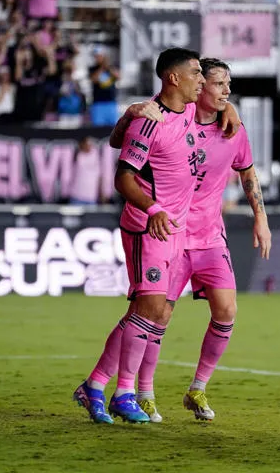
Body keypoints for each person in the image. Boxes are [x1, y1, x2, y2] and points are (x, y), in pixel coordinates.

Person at [72, 49, 242, 425]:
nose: (203, 80)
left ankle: (98, 386)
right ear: (174, 79)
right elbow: (122, 177)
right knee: (148, 309)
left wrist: (230, 109)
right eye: (197, 74)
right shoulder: (150, 119)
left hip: (175, 230)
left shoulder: (186, 110)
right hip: (147, 225)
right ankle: (121, 391)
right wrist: (153, 209)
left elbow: (215, 108)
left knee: (148, 312)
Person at [110, 59, 272, 422]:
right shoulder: (173, 119)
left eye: (227, 85)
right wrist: (132, 111)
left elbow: (247, 173)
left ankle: (198, 388)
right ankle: (145, 392)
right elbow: (130, 139)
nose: (225, 91)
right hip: (171, 234)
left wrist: (261, 217)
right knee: (158, 315)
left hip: (211, 237)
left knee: (227, 310)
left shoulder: (233, 129)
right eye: (217, 83)